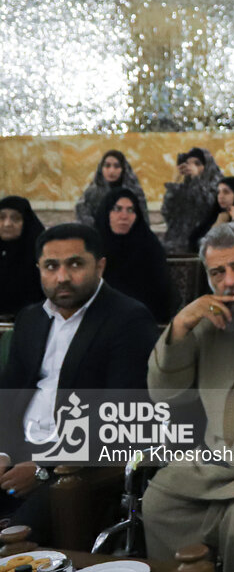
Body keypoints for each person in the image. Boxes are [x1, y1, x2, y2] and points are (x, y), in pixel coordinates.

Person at [0, 223, 159, 541]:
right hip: (18, 454)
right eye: (51, 266)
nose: (62, 276)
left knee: (14, 539)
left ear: (99, 266)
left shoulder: (128, 319)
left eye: (75, 264)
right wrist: (3, 453)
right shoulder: (31, 319)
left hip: (76, 466)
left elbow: (119, 414)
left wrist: (43, 466)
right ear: (39, 268)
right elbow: (9, 394)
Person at [143, 222, 234, 566]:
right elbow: (166, 396)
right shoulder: (205, 324)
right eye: (218, 272)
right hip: (214, 463)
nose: (230, 281)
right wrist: (179, 328)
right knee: (158, 504)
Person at [95, 188, 177, 324]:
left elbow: (161, 293)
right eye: (117, 209)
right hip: (100, 320)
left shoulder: (149, 245)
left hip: (142, 319)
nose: (124, 216)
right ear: (106, 213)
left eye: (130, 210)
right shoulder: (94, 247)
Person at [162, 147, 222, 254]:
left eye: (197, 164)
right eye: (188, 164)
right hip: (176, 246)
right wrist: (177, 180)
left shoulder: (218, 186)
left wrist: (196, 180)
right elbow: (167, 211)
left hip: (204, 246)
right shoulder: (182, 188)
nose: (191, 167)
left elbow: (207, 208)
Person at [74, 150, 149, 228]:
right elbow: (84, 220)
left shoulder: (134, 193)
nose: (111, 171)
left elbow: (143, 224)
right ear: (101, 168)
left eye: (116, 166)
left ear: (123, 169)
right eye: (107, 166)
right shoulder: (91, 194)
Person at [0, 196, 44, 317]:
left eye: (15, 218)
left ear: (26, 222)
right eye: (2, 218)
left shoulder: (39, 255)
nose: (7, 224)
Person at [188, 176, 234, 252]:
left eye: (226, 192)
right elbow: (196, 244)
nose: (220, 196)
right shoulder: (215, 217)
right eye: (218, 192)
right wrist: (218, 224)